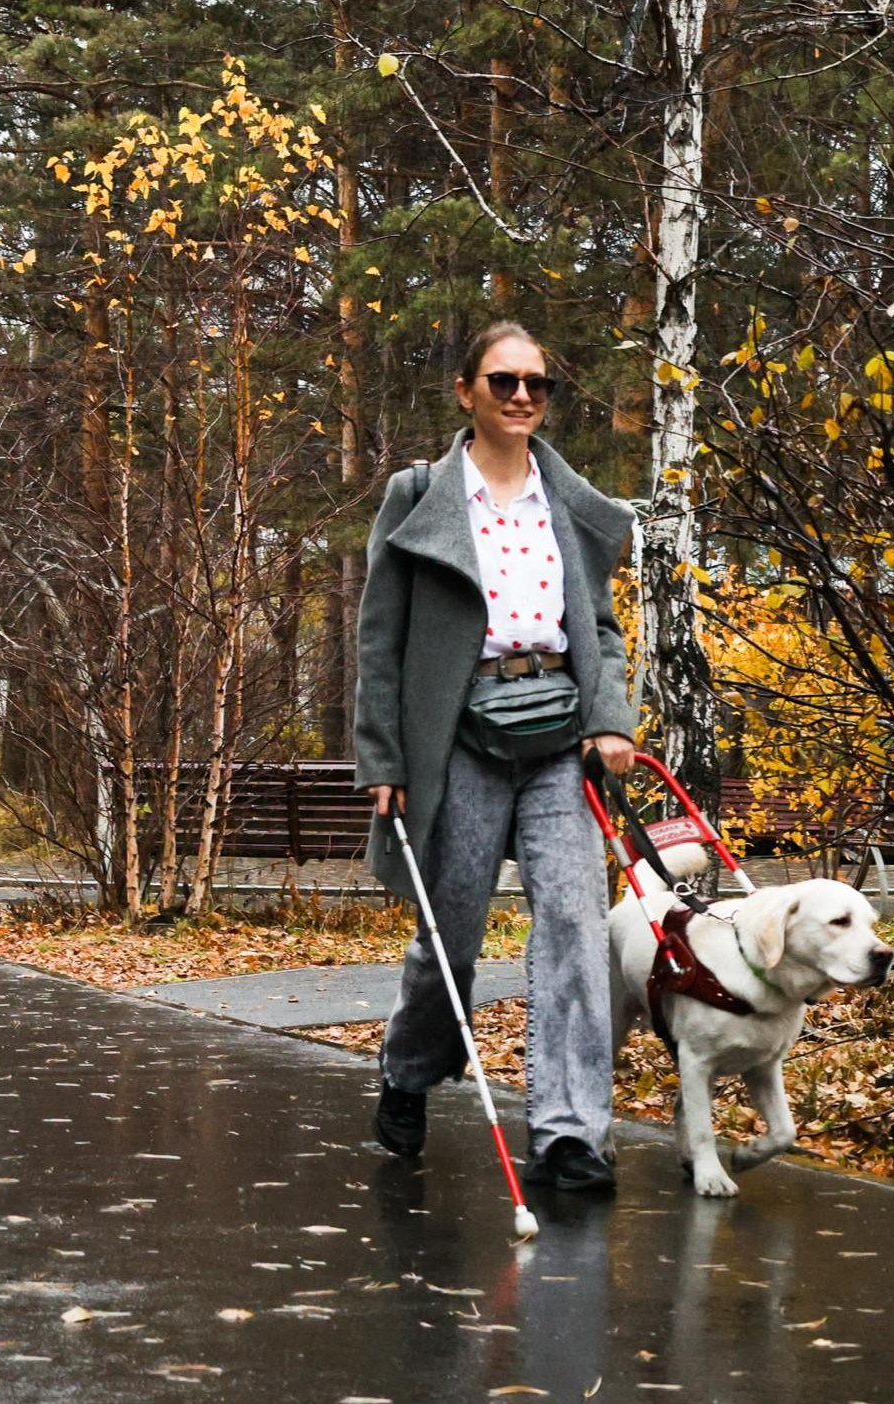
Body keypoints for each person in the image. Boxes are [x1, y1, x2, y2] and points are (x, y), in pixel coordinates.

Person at [352, 320, 639, 1192]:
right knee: (452, 936)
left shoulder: (571, 504)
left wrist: (611, 715)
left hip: (558, 738)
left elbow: (598, 627)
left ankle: (568, 1134)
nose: (522, 396)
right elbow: (379, 640)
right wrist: (383, 762)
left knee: (576, 932)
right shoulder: (420, 497)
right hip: (460, 739)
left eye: (537, 385)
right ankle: (407, 1070)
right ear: (466, 391)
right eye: (504, 381)